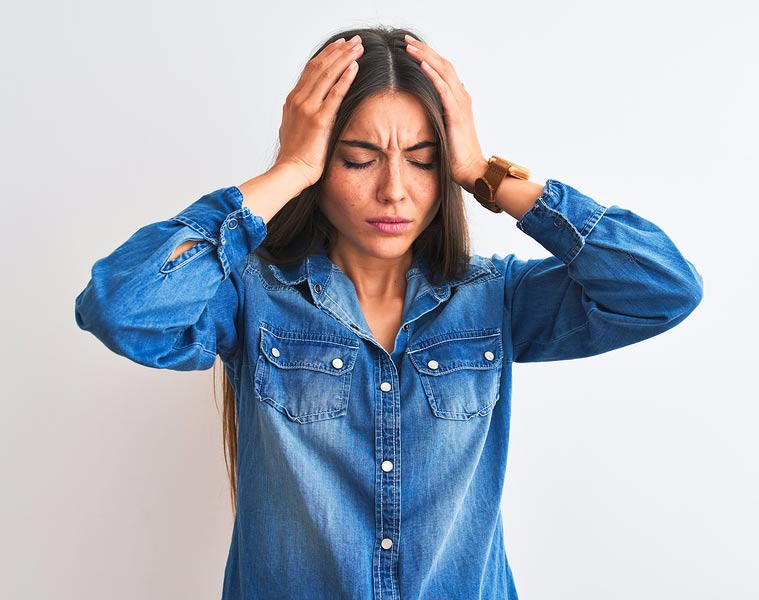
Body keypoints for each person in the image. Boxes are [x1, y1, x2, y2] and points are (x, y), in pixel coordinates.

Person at [75, 25, 703, 600]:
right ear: (322, 165)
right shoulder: (254, 297)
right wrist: (289, 168)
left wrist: (487, 173)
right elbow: (121, 308)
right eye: (358, 159)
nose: (394, 190)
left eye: (424, 160)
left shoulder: (495, 297)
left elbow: (663, 287)